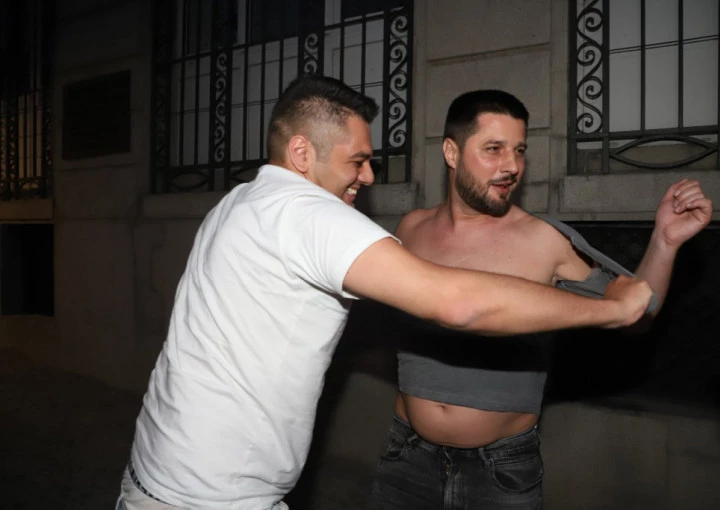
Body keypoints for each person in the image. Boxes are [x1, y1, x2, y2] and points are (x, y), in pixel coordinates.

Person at [116, 76, 654, 510]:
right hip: (212, 495)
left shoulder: (240, 200)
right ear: (302, 152)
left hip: (158, 471)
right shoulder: (311, 216)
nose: (370, 176)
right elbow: (458, 303)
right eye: (357, 161)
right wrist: (609, 310)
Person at [370, 90, 713, 509]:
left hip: (498, 472)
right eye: (494, 149)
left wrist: (664, 242)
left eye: (519, 150)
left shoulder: (544, 240)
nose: (512, 166)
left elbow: (638, 311)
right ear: (451, 152)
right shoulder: (412, 227)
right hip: (406, 456)